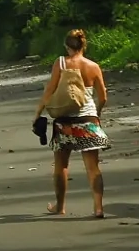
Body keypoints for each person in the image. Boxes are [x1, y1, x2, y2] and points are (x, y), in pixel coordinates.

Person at [36, 29, 109, 218]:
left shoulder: (60, 63)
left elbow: (49, 91)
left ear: (67, 46)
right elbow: (103, 97)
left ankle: (60, 207)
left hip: (64, 120)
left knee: (61, 165)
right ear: (84, 45)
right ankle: (98, 208)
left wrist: (37, 114)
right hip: (88, 119)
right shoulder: (94, 66)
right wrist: (97, 114)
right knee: (93, 167)